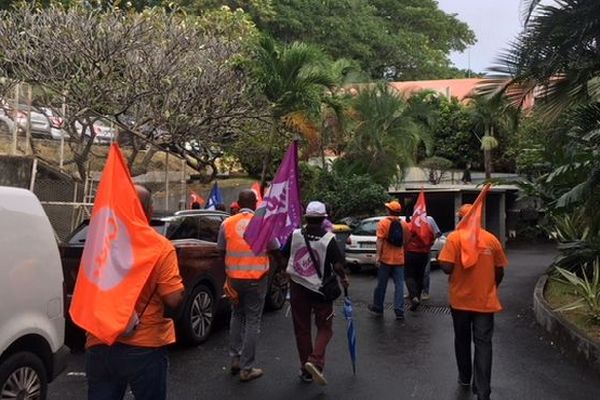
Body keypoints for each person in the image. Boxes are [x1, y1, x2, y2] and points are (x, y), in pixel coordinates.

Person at [86, 185, 185, 400]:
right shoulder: (160, 247)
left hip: (100, 339)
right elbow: (173, 298)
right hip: (144, 344)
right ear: (149, 211)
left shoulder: (99, 244)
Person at [438, 204, 508, 400]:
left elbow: (446, 267)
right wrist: (489, 286)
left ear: (461, 218)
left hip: (460, 301)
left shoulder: (454, 238)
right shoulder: (491, 239)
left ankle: (465, 377)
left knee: (461, 339)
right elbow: (500, 270)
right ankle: (483, 391)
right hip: (484, 302)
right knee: (484, 343)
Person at [217, 189, 280, 382]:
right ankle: (247, 368)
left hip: (234, 278)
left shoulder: (226, 223)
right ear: (255, 204)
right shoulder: (262, 223)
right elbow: (275, 248)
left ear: (237, 203)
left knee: (236, 315)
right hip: (256, 278)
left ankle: (234, 359)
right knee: (253, 321)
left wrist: (228, 271)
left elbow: (220, 251)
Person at [283, 201, 349, 385]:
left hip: (297, 287)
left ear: (306, 217)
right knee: (325, 329)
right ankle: (315, 360)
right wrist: (343, 278)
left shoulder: (295, 234)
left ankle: (305, 370)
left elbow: (284, 256)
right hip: (320, 291)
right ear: (323, 218)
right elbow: (337, 265)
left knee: (302, 330)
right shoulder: (328, 239)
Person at [367, 201, 410, 320]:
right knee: (399, 286)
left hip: (385, 259)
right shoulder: (404, 224)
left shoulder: (383, 223)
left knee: (381, 284)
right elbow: (407, 240)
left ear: (389, 211)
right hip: (399, 259)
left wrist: (377, 256)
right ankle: (399, 311)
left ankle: (378, 307)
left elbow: (380, 240)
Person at [405, 215, 441, 309]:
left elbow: (405, 239)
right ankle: (418, 297)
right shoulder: (428, 227)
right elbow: (435, 236)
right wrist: (429, 245)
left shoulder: (410, 225)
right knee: (420, 275)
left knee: (409, 275)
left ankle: (414, 296)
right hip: (424, 253)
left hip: (411, 253)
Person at [421, 216, 442, 300]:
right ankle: (414, 292)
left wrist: (431, 241)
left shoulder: (429, 219)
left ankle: (425, 292)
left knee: (425, 272)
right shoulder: (414, 219)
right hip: (414, 250)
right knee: (413, 272)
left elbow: (438, 233)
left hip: (425, 250)